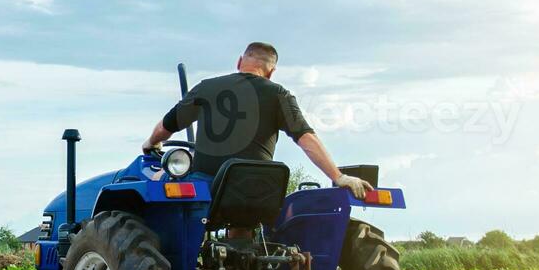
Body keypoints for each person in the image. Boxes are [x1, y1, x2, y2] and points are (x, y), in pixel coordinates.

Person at [142, 41, 374, 199]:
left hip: (208, 184)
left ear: (239, 60)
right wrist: (338, 176)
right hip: (258, 189)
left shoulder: (206, 87)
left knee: (160, 184)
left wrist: (150, 144)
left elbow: (165, 127)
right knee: (247, 205)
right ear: (271, 72)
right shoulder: (278, 94)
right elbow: (306, 138)